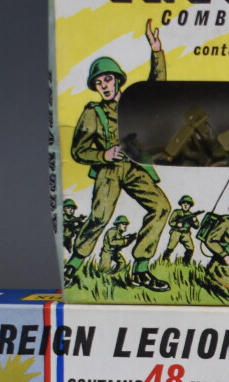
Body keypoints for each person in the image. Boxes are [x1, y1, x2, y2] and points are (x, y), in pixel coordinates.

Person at [63, 19, 172, 291]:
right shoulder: (92, 112)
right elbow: (78, 151)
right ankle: (72, 266)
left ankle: (141, 269)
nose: (104, 85)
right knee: (99, 217)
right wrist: (104, 154)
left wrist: (156, 51)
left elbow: (157, 88)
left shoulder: (134, 101)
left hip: (135, 166)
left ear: (118, 79)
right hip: (108, 171)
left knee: (161, 207)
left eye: (108, 79)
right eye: (98, 82)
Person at [161, 195, 202, 264]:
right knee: (170, 247)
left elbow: (196, 226)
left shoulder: (191, 215)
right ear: (181, 204)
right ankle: (164, 260)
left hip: (186, 233)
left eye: (187, 203)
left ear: (190, 205)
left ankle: (186, 262)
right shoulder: (176, 212)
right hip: (176, 232)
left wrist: (194, 220)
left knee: (190, 248)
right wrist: (177, 224)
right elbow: (171, 222)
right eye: (184, 203)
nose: (186, 205)